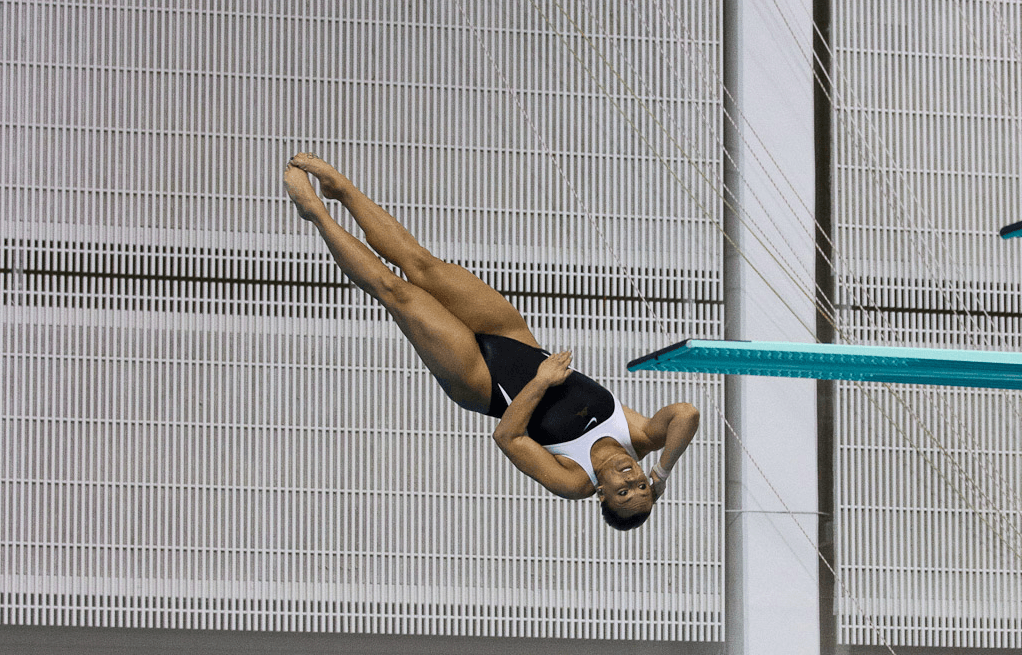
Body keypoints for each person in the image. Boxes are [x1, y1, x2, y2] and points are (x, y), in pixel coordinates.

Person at [283, 153, 699, 530]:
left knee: (397, 292)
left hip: (483, 383)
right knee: (422, 264)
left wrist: (541, 382)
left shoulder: (575, 481)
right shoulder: (641, 438)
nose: (631, 478)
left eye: (623, 492)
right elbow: (686, 413)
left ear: (602, 496)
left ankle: (315, 212)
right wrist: (662, 472)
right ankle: (341, 188)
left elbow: (508, 438)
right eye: (640, 485)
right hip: (516, 339)